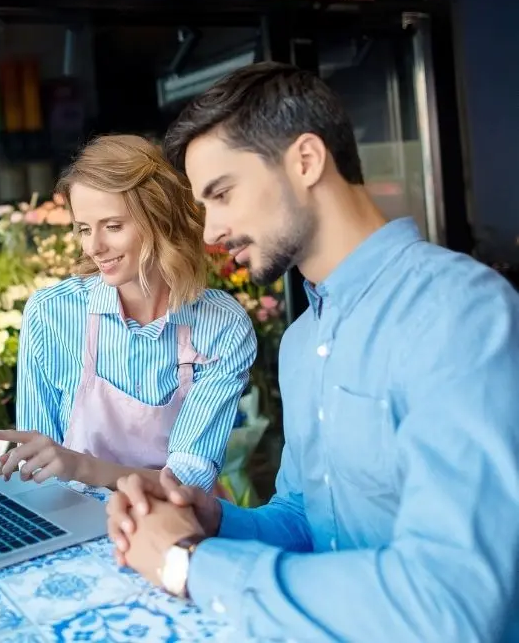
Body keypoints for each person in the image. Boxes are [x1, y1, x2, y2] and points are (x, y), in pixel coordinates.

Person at [107, 61, 519, 642]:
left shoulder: (459, 313)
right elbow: (308, 522)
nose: (209, 233)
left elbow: (452, 604)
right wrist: (214, 521)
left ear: (305, 160)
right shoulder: (304, 342)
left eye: (221, 194)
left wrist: (191, 566)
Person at [0, 134, 257, 492]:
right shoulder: (52, 313)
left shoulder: (220, 325)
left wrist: (79, 466)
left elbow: (187, 481)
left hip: (172, 522)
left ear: (160, 220)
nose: (95, 247)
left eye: (113, 226)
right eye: (84, 229)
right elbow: (40, 465)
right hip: (73, 524)